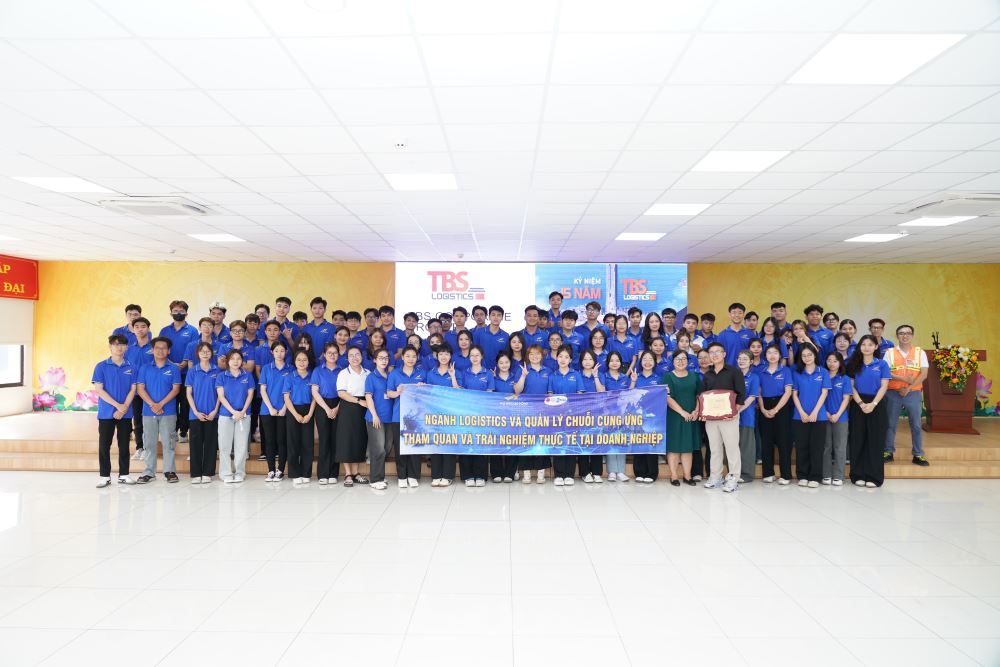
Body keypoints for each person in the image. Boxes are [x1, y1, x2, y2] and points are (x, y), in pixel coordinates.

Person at [92, 334, 138, 488]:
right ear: (110, 347)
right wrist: (118, 406)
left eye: (122, 344)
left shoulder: (132, 367)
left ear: (127, 347)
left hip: (126, 412)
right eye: (116, 344)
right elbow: (99, 390)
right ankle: (104, 476)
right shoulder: (101, 366)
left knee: (124, 444)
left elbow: (133, 389)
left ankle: (124, 475)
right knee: (104, 445)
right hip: (106, 413)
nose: (119, 347)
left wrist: (124, 407)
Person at [699, 342, 745, 493]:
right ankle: (716, 476)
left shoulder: (734, 372)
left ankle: (733, 478)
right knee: (715, 448)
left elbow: (741, 394)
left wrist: (734, 412)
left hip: (729, 418)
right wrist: (703, 413)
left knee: (732, 448)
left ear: (724, 354)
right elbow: (702, 396)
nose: (714, 355)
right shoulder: (707, 375)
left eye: (717, 352)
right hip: (711, 419)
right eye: (711, 352)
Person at [136, 336, 181, 484]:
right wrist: (152, 405)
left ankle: (169, 471)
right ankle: (149, 472)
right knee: (149, 443)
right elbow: (140, 389)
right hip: (148, 412)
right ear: (152, 350)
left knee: (169, 442)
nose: (160, 350)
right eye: (157, 348)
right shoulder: (145, 368)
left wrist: (160, 404)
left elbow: (175, 389)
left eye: (164, 348)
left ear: (169, 351)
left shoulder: (173, 368)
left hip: (168, 412)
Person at [847, 335, 891, 488]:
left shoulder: (882, 364)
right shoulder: (853, 363)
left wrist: (873, 404)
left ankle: (874, 477)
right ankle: (857, 475)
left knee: (875, 440)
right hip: (857, 403)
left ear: (876, 347)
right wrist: (860, 403)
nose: (866, 347)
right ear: (859, 347)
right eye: (863, 344)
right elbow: (851, 386)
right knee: (857, 439)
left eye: (870, 344)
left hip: (876, 403)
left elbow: (884, 386)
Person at [883, 324, 930, 466]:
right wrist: (903, 379)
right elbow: (886, 372)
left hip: (913, 393)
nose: (905, 336)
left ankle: (918, 454)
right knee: (890, 424)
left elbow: (924, 374)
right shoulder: (889, 352)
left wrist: (908, 388)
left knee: (916, 424)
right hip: (893, 392)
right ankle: (888, 452)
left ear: (912, 335)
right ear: (897, 336)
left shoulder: (920, 352)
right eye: (901, 333)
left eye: (908, 333)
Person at [386, 346, 427, 488]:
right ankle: (402, 476)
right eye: (408, 356)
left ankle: (413, 476)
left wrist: (423, 388)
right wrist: (397, 392)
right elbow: (389, 393)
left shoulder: (421, 373)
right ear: (402, 357)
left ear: (417, 358)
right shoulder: (394, 374)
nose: (411, 359)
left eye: (414, 356)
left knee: (415, 447)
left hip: (416, 417)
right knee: (400, 448)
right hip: (399, 416)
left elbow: (427, 394)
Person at [791, 342, 830, 488]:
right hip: (799, 416)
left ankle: (815, 477)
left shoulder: (823, 372)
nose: (807, 358)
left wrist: (814, 412)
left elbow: (824, 393)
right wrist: (802, 412)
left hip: (819, 416)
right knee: (801, 447)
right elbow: (794, 394)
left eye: (809, 355)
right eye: (804, 355)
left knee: (817, 447)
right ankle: (802, 475)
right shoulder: (797, 373)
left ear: (815, 355)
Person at [158, 300, 197, 443]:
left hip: (186, 372)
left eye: (181, 311)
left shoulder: (192, 331)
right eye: (175, 311)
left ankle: (184, 431)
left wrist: (184, 363)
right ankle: (172, 431)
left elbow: (194, 349)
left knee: (185, 403)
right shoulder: (164, 331)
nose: (178, 313)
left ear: (186, 313)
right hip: (168, 373)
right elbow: (160, 348)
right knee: (171, 403)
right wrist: (171, 365)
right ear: (171, 313)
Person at [215, 349, 254, 483]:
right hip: (226, 415)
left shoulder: (248, 376)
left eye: (238, 359)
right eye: (232, 359)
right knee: (224, 446)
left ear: (242, 361)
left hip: (244, 415)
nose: (236, 361)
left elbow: (250, 395)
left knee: (241, 446)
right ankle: (225, 473)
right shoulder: (221, 376)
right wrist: (233, 411)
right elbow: (221, 396)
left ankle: (239, 472)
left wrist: (242, 411)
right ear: (227, 361)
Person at [548, 344, 584, 486]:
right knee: (558, 442)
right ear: (556, 358)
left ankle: (569, 474)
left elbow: (580, 395)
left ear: (570, 360)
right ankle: (559, 474)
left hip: (572, 415)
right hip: (556, 415)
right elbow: (550, 395)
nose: (563, 359)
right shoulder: (552, 376)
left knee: (571, 442)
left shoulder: (576, 375)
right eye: (560, 356)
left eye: (566, 357)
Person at [757, 344, 794, 484]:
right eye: (769, 353)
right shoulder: (760, 371)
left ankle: (786, 475)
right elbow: (758, 392)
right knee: (766, 441)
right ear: (765, 355)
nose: (772, 355)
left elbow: (788, 392)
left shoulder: (786, 370)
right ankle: (768, 473)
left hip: (782, 406)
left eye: (775, 353)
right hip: (765, 406)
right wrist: (763, 408)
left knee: (784, 441)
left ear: (779, 356)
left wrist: (776, 409)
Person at [663, 348, 700, 486]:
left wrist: (696, 410)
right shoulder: (668, 376)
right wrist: (682, 412)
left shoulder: (694, 376)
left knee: (687, 447)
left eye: (684, 359)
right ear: (673, 361)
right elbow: (667, 398)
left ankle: (687, 476)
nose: (681, 361)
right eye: (678, 359)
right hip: (674, 415)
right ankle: (674, 476)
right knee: (674, 447)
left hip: (691, 416)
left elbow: (699, 395)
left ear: (688, 361)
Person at [185, 341, 220, 483]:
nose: (205, 354)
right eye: (202, 351)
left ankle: (207, 473)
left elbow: (220, 395)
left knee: (211, 444)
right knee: (195, 444)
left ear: (212, 353)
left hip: (213, 414)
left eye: (207, 351)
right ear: (197, 354)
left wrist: (215, 411)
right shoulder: (192, 371)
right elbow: (189, 394)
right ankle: (195, 473)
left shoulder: (217, 371)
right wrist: (195, 412)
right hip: (196, 414)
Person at [425, 343, 460, 486]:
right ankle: (436, 475)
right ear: (436, 356)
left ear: (451, 356)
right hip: (434, 413)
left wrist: (453, 376)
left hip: (450, 413)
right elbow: (427, 393)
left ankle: (448, 476)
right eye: (441, 354)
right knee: (436, 443)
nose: (444, 356)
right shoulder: (430, 373)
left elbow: (459, 392)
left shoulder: (456, 372)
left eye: (446, 354)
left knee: (448, 444)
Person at [336, 346, 371, 487]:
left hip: (365, 407)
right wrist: (358, 401)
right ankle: (348, 474)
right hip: (349, 407)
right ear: (347, 358)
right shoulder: (343, 373)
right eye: (351, 355)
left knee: (359, 439)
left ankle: (356, 473)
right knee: (347, 440)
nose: (355, 358)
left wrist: (364, 402)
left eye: (357, 354)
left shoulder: (368, 373)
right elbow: (341, 393)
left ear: (362, 357)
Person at [459, 345, 494, 486]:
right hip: (466, 413)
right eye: (472, 355)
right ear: (469, 357)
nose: (474, 358)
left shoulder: (488, 373)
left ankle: (480, 476)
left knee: (480, 442)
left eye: (477, 355)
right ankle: (468, 476)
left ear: (482, 356)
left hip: (482, 413)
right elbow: (461, 393)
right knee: (466, 442)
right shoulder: (464, 373)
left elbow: (490, 394)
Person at [259, 341, 291, 482]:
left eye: (282, 350)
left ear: (286, 352)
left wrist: (284, 408)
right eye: (276, 351)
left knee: (282, 440)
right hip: (267, 410)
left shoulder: (290, 368)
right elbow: (263, 390)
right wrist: (271, 408)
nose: (279, 353)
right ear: (272, 352)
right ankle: (271, 470)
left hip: (285, 410)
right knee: (270, 441)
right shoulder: (266, 368)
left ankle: (280, 470)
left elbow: (291, 391)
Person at [629, 350, 662, 483]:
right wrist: (633, 382)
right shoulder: (635, 376)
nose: (647, 362)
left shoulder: (659, 378)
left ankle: (651, 473)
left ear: (654, 362)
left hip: (654, 417)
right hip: (638, 416)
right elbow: (630, 396)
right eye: (644, 359)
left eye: (650, 359)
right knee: (638, 443)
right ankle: (639, 472)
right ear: (640, 362)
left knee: (651, 443)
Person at [284, 350, 316, 484]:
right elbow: (286, 398)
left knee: (307, 443)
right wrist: (296, 414)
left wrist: (309, 414)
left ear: (308, 362)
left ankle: (306, 473)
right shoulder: (289, 376)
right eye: (299, 360)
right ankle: (294, 473)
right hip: (293, 410)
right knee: (293, 443)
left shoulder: (312, 376)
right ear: (294, 361)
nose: (302, 362)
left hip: (308, 410)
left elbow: (315, 397)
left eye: (304, 360)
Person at [491, 351, 524, 483]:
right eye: (501, 363)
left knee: (512, 441)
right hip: (496, 415)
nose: (504, 365)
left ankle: (510, 472)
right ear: (497, 364)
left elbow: (518, 393)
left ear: (510, 363)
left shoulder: (515, 377)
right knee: (495, 442)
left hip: (512, 415)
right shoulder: (492, 377)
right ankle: (496, 473)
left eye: (506, 362)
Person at [311, 342, 342, 484]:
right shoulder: (317, 370)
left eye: (335, 353)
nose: (332, 355)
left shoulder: (342, 371)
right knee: (324, 440)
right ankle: (323, 473)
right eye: (329, 353)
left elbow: (345, 392)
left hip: (339, 404)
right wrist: (327, 409)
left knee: (336, 440)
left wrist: (336, 408)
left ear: (338, 355)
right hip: (322, 405)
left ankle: (333, 473)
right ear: (324, 354)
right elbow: (314, 392)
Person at [520, 344, 551, 483]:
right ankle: (526, 472)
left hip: (543, 411)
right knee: (527, 440)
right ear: (528, 356)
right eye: (531, 354)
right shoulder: (523, 369)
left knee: (542, 440)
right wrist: (523, 376)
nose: (534, 356)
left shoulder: (548, 371)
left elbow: (550, 391)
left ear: (542, 355)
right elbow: (517, 390)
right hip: (527, 410)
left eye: (537, 353)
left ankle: (541, 472)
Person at [363, 349, 393, 490]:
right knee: (378, 449)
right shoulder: (371, 377)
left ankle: (380, 475)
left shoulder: (391, 376)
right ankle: (375, 479)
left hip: (390, 418)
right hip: (375, 418)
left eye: (386, 358)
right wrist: (374, 415)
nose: (384, 360)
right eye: (381, 358)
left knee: (386, 448)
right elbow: (368, 397)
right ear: (375, 360)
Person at [125, 316, 153, 456]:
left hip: (151, 390)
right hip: (135, 390)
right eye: (137, 327)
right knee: (137, 419)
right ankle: (139, 447)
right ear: (133, 329)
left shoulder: (155, 347)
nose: (140, 329)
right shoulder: (128, 349)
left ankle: (149, 448)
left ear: (148, 329)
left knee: (150, 420)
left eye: (143, 326)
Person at [823, 352, 852, 486]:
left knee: (840, 447)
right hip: (824, 416)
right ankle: (826, 474)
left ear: (840, 363)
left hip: (841, 417)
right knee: (826, 446)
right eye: (829, 360)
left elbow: (846, 398)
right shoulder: (823, 376)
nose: (832, 363)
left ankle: (839, 476)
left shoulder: (844, 378)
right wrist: (827, 413)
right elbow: (819, 397)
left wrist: (837, 414)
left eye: (835, 361)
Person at [602, 352, 631, 482]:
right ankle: (612, 471)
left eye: (617, 360)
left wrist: (633, 381)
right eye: (612, 360)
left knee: (621, 440)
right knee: (611, 441)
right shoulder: (604, 376)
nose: (614, 363)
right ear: (607, 362)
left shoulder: (625, 377)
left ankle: (621, 471)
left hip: (622, 413)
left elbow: (630, 393)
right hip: (608, 413)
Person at [577, 349, 605, 483]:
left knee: (596, 441)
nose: (587, 362)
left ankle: (597, 472)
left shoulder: (600, 374)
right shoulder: (577, 375)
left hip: (597, 412)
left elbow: (602, 391)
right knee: (583, 441)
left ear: (594, 361)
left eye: (590, 359)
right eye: (585, 359)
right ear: (581, 361)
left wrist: (596, 376)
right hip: (581, 413)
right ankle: (584, 472)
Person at [735, 350, 760, 484]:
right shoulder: (734, 375)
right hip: (731, 416)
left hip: (746, 415)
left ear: (751, 362)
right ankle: (734, 473)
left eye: (745, 359)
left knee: (746, 446)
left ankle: (746, 474)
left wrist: (738, 410)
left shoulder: (754, 377)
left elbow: (752, 397)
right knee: (733, 446)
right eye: (739, 358)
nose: (741, 361)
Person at [474, 305, 510, 371]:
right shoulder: (479, 333)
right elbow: (474, 352)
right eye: (493, 315)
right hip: (482, 371)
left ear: (502, 317)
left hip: (499, 371)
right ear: (489, 317)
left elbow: (506, 355)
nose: (496, 317)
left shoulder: (505, 335)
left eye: (499, 315)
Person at [302, 297, 333, 362]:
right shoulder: (306, 328)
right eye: (314, 308)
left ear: (325, 310)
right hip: (308, 362)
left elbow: (331, 346)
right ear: (311, 309)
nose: (317, 311)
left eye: (320, 308)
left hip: (324, 362)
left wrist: (321, 359)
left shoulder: (331, 328)